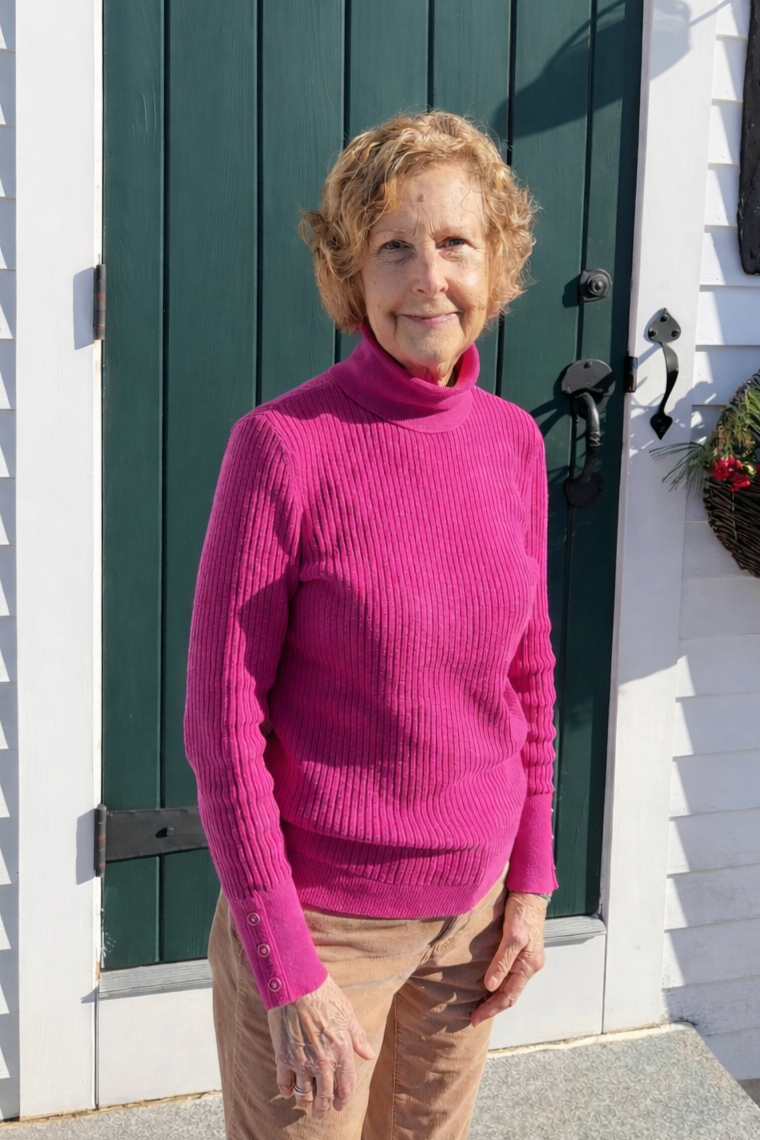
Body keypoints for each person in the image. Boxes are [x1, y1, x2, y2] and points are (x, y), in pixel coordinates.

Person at [184, 110, 557, 1140]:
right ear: (351, 276)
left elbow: (527, 679)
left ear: (496, 266)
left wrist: (529, 883)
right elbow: (222, 729)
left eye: (453, 243)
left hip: (472, 920)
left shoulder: (513, 444)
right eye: (392, 247)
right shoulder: (283, 449)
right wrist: (287, 967)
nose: (425, 277)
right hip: (323, 931)